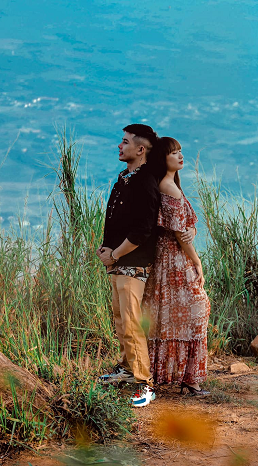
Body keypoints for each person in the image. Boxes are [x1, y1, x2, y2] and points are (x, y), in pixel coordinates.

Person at [96, 124, 190, 407]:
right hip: (117, 261)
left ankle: (144, 383)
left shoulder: (146, 181)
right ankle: (126, 369)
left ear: (140, 149)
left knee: (132, 322)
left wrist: (115, 254)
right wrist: (106, 249)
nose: (119, 146)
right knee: (120, 319)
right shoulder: (125, 177)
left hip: (132, 263)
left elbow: (143, 230)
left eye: (124, 142)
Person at [143, 137, 211, 396]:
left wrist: (191, 230)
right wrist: (196, 260)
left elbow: (184, 228)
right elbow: (181, 235)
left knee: (170, 317)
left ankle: (182, 378)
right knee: (197, 310)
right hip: (175, 261)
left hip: (167, 259)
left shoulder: (170, 185)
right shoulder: (168, 187)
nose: (180, 156)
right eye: (174, 153)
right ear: (163, 158)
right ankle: (189, 380)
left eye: (181, 151)